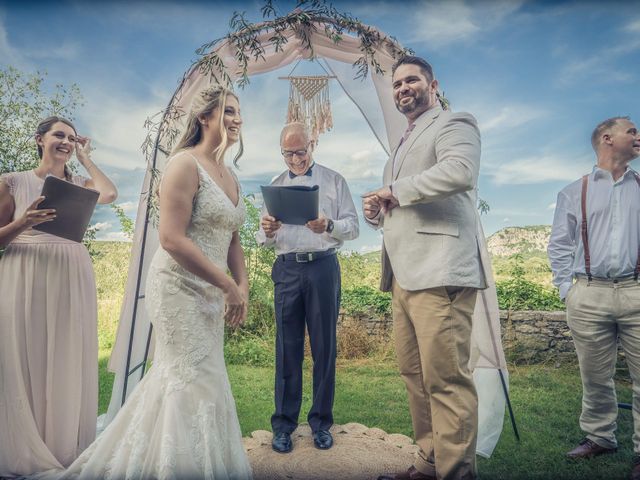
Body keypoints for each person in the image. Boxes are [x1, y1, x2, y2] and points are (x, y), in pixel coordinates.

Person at [33, 86, 253, 479]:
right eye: (229, 111)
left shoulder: (231, 175)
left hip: (212, 291)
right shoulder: (184, 164)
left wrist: (242, 288)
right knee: (189, 379)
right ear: (204, 118)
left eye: (239, 112)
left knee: (204, 378)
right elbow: (171, 238)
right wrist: (227, 285)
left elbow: (234, 239)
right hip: (179, 288)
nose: (237, 119)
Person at [363, 55, 485, 480]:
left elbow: (460, 172)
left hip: (441, 272)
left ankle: (455, 473)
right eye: (396, 84)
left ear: (433, 85)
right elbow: (401, 206)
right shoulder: (401, 144)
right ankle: (430, 462)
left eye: (411, 80)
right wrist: (377, 211)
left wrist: (394, 190)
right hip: (403, 277)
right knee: (415, 377)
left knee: (447, 382)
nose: (402, 89)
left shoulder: (454, 123)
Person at [0, 116, 118, 476]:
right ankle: (25, 445)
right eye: (58, 136)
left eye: (71, 137)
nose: (65, 141)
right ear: (40, 140)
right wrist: (23, 222)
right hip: (26, 271)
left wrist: (85, 157)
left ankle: (61, 444)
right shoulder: (13, 182)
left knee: (64, 354)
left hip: (70, 274)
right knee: (27, 354)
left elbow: (110, 193)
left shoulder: (80, 184)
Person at [257, 122, 359, 453]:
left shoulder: (334, 180)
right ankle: (284, 426)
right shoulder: (274, 185)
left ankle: (320, 423)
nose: (296, 159)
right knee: (287, 350)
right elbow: (261, 239)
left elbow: (353, 227)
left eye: (300, 152)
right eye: (288, 154)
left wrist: (328, 224)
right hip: (286, 270)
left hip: (323, 268)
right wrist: (268, 230)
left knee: (323, 348)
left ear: (312, 144)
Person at [548, 117, 640, 478]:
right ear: (607, 138)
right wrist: (566, 290)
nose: (638, 136)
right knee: (595, 376)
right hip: (588, 292)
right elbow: (559, 245)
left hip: (636, 289)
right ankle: (600, 437)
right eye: (632, 131)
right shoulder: (575, 191)